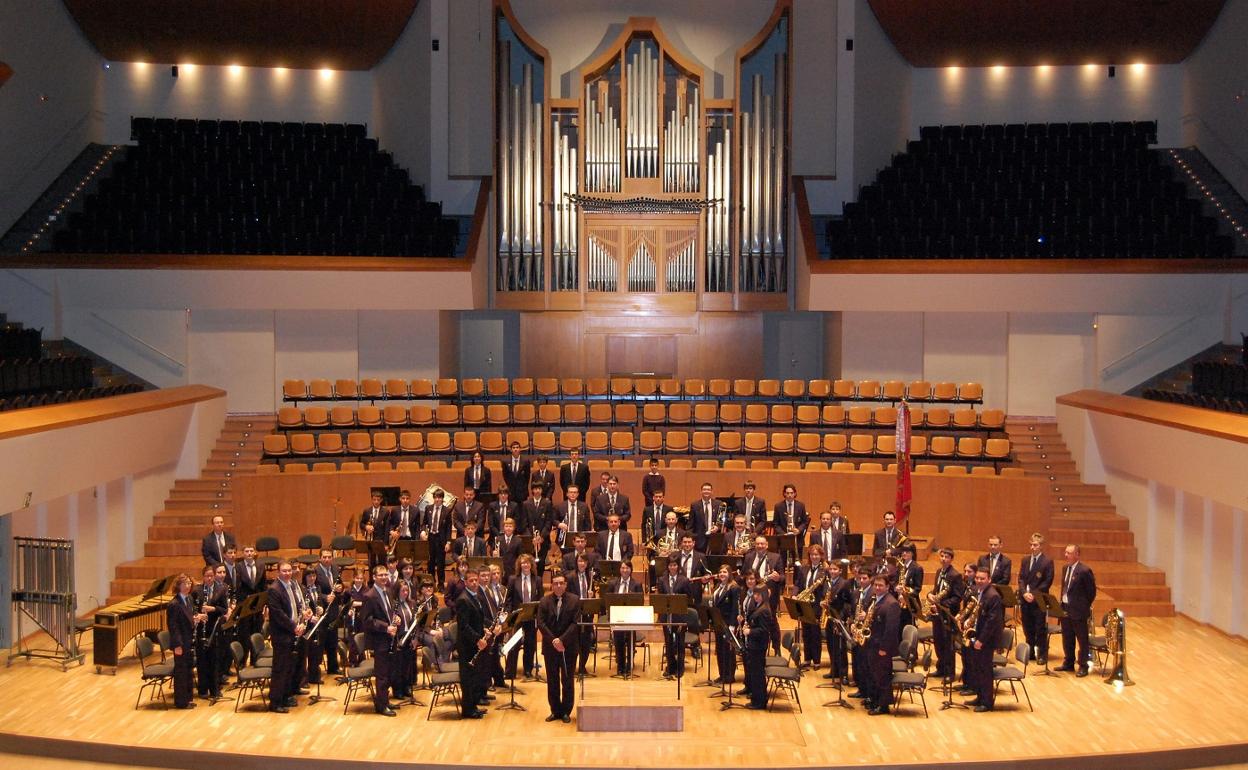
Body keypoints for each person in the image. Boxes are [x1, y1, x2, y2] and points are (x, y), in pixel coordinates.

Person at [537, 573, 580, 723]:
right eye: (555, 583)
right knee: (553, 680)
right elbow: (541, 623)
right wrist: (554, 640)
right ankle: (555, 710)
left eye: (561, 583)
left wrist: (562, 640)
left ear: (566, 584)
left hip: (568, 647)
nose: (558, 586)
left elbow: (575, 624)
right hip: (550, 647)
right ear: (551, 585)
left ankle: (566, 711)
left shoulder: (574, 600)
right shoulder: (544, 601)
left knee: (567, 680)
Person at [266, 560, 307, 713]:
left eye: (289, 570)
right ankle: (275, 702)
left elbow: (295, 607)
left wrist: (302, 619)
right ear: (278, 572)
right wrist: (294, 626)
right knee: (280, 669)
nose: (287, 573)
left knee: (289, 668)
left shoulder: (290, 585)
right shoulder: (274, 589)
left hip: (292, 632)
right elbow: (278, 614)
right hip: (282, 635)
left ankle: (285, 696)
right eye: (284, 571)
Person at [360, 565, 399, 716]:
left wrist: (395, 618)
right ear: (374, 577)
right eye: (380, 575)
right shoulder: (369, 596)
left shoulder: (388, 591)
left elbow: (388, 612)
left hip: (390, 638)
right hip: (379, 639)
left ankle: (386, 700)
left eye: (385, 575)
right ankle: (381, 706)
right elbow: (367, 620)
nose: (384, 577)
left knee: (389, 672)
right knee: (382, 674)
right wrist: (385, 627)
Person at [965, 566, 1004, 712]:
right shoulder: (978, 591)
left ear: (989, 579)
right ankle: (979, 697)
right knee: (977, 668)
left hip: (986, 640)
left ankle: (987, 702)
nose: (979, 581)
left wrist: (981, 640)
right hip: (976, 635)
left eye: (982, 579)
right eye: (977, 578)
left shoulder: (993, 596)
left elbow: (992, 622)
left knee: (985, 670)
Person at [455, 566, 492, 718]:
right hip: (467, 645)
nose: (475, 583)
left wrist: (484, 630)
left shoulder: (475, 596)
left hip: (474, 642)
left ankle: (474, 706)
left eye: (476, 580)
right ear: (465, 582)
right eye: (471, 581)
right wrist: (478, 640)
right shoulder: (463, 600)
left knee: (475, 676)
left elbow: (476, 620)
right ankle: (468, 710)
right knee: (468, 679)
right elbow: (464, 626)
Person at [1057, 544, 1097, 677]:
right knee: (1067, 638)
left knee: (1082, 639)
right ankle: (1069, 662)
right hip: (1065, 609)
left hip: (1078, 611)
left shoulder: (1085, 571)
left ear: (1077, 554)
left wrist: (1083, 606)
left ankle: (1083, 665)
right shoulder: (1065, 568)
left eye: (1069, 553)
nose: (1066, 555)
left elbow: (1091, 592)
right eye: (1065, 552)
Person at [865, 574, 901, 716]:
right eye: (876, 585)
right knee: (874, 674)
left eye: (881, 586)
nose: (877, 588)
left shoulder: (892, 603)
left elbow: (891, 630)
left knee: (882, 676)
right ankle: (875, 700)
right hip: (872, 643)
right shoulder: (875, 599)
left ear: (887, 587)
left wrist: (884, 649)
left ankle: (883, 705)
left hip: (882, 647)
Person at [742, 535, 784, 652]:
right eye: (758, 544)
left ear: (767, 545)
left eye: (762, 544)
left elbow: (782, 577)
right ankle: (752, 646)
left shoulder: (776, 557)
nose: (760, 546)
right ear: (755, 545)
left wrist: (777, 578)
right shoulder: (749, 557)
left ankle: (777, 649)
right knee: (752, 619)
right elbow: (744, 575)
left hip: (769, 596)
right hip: (752, 594)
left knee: (772, 623)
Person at [929, 547, 965, 682]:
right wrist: (931, 596)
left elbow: (957, 597)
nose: (943, 559)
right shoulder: (939, 572)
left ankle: (950, 673)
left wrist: (941, 604)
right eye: (942, 556)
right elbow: (936, 589)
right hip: (937, 613)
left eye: (946, 557)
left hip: (948, 614)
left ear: (951, 559)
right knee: (938, 641)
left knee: (948, 644)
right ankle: (941, 668)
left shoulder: (955, 575)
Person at [1017, 532, 1055, 664]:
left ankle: (1042, 654)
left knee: (1040, 628)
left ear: (1041, 546)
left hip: (1038, 600)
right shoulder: (1025, 560)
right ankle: (1031, 651)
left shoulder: (1047, 562)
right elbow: (1021, 578)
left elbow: (1047, 582)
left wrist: (1033, 594)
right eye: (1031, 545)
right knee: (1027, 627)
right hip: (1025, 599)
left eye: (1035, 545)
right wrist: (1023, 593)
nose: (1033, 547)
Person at [194, 565, 228, 701]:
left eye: (211, 576)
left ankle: (215, 689)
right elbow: (193, 609)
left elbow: (224, 609)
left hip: (214, 628)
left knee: (215, 659)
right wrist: (198, 615)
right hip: (201, 629)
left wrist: (212, 608)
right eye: (206, 576)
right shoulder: (197, 590)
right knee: (202, 660)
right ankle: (202, 689)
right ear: (203, 577)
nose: (209, 578)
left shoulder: (221, 589)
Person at [166, 573, 199, 709]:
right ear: (178, 586)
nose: (188, 585)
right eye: (185, 583)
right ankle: (181, 701)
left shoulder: (189, 599)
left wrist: (196, 618)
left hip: (189, 639)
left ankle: (188, 698)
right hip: (181, 642)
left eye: (189, 583)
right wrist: (177, 645)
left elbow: (188, 618)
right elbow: (173, 627)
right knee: (181, 671)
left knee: (188, 670)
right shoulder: (174, 604)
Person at [656, 557, 692, 679]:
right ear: (668, 567)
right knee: (669, 642)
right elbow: (660, 597)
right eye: (670, 565)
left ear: (678, 567)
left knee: (680, 643)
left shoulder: (684, 580)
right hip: (666, 616)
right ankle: (670, 667)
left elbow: (688, 598)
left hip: (679, 616)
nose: (672, 567)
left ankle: (680, 668)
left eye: (675, 565)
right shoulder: (662, 580)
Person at [507, 554, 541, 680]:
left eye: (527, 563)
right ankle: (510, 671)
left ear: (531, 565)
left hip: (531, 618)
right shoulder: (512, 579)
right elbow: (509, 599)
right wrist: (511, 614)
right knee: (514, 643)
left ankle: (528, 670)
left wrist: (538, 615)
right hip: (517, 617)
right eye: (523, 563)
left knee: (530, 645)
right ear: (519, 565)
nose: (525, 565)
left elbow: (540, 599)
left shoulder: (537, 579)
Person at [793, 544, 828, 668]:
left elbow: (826, 587)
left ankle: (817, 661)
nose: (814, 557)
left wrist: (823, 600)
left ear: (821, 556)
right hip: (804, 603)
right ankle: (807, 659)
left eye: (817, 554)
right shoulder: (804, 568)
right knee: (806, 632)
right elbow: (798, 583)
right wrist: (794, 595)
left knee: (815, 633)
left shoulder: (825, 570)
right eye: (812, 554)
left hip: (816, 605)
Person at [821, 559, 854, 682]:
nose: (832, 571)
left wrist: (841, 617)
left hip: (839, 618)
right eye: (831, 569)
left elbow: (848, 603)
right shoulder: (827, 582)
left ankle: (843, 674)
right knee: (831, 645)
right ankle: (834, 670)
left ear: (840, 571)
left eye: (835, 569)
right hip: (829, 617)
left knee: (840, 647)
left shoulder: (844, 583)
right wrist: (823, 603)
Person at [608, 560, 642, 677]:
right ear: (619, 570)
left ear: (631, 570)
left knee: (630, 640)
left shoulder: (636, 584)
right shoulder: (613, 583)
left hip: (631, 618)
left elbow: (640, 602)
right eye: (622, 568)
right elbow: (608, 601)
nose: (625, 570)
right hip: (617, 617)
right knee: (618, 641)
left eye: (627, 568)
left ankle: (629, 664)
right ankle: (620, 665)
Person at [564, 553, 596, 676]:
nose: (582, 564)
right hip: (574, 613)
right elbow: (567, 595)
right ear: (576, 563)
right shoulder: (571, 577)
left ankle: (582, 667)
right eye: (579, 561)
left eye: (584, 562)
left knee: (586, 642)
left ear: (587, 564)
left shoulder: (590, 576)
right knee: (573, 642)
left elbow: (592, 596)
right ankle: (571, 667)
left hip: (587, 613)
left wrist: (591, 596)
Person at [709, 564, 741, 687]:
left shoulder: (734, 588)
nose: (722, 574)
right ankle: (722, 674)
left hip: (728, 623)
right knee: (720, 649)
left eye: (725, 572)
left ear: (729, 574)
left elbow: (735, 608)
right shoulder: (718, 586)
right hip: (719, 622)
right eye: (721, 572)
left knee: (728, 650)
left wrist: (733, 625)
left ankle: (729, 676)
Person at [742, 584, 773, 709]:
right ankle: (756, 699)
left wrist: (750, 632)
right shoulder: (759, 606)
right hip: (754, 645)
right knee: (755, 673)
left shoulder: (764, 610)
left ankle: (759, 702)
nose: (755, 596)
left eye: (758, 594)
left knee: (758, 674)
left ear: (764, 595)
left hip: (759, 646)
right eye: (755, 594)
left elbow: (764, 631)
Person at [420, 488, 452, 589]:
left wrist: (448, 542)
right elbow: (424, 523)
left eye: (439, 497)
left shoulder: (447, 511)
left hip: (441, 539)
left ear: (442, 499)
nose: (437, 499)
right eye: (435, 497)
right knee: (431, 562)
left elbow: (448, 528)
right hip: (430, 539)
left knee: (441, 563)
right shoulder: (428, 508)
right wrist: (423, 531)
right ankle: (431, 583)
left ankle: (441, 584)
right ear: (433, 498)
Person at [894, 543, 924, 634]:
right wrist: (896, 588)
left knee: (909, 630)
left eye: (907, 552)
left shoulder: (917, 568)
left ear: (912, 553)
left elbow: (917, 589)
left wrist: (905, 595)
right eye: (903, 551)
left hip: (910, 605)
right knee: (899, 629)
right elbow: (896, 581)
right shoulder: (900, 566)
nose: (904, 554)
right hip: (899, 602)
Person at [359, 491, 390, 573]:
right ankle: (371, 582)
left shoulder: (386, 512)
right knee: (371, 563)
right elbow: (361, 524)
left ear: (381, 500)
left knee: (382, 562)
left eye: (378, 500)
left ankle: (382, 580)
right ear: (372, 500)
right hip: (370, 540)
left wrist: (386, 544)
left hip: (381, 541)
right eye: (374, 499)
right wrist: (366, 527)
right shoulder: (367, 511)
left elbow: (387, 528)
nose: (376, 501)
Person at [774, 483, 810, 554]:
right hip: (784, 539)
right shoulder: (778, 506)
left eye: (791, 493)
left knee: (797, 562)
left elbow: (804, 522)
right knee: (783, 562)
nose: (789, 495)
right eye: (787, 493)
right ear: (784, 494)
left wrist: (799, 530)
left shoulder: (801, 505)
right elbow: (775, 524)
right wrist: (783, 534)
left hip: (797, 538)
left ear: (795, 493)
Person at [689, 482, 720, 552]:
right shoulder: (695, 505)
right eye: (704, 489)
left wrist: (718, 527)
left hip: (714, 538)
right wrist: (691, 539)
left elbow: (723, 521)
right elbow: (690, 525)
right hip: (699, 540)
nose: (706, 491)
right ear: (701, 491)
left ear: (712, 492)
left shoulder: (719, 504)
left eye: (708, 490)